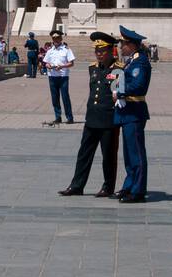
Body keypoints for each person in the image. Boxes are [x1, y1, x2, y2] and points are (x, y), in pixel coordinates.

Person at [58, 31, 123, 198]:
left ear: (110, 51)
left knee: (108, 156)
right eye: (97, 51)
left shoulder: (119, 70)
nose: (99, 54)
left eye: (102, 51)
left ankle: (108, 187)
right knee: (84, 154)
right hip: (92, 118)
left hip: (109, 120)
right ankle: (76, 186)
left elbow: (117, 94)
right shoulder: (92, 68)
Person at [114, 26, 151, 204]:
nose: (121, 47)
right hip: (127, 111)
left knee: (136, 153)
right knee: (129, 154)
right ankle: (129, 185)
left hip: (135, 111)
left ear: (132, 45)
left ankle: (138, 190)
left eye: (124, 43)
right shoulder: (130, 62)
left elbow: (139, 86)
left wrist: (120, 92)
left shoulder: (140, 62)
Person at [42, 30, 76, 125]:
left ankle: (70, 117)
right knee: (55, 98)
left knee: (65, 97)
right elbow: (46, 62)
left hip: (63, 76)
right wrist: (48, 65)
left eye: (57, 38)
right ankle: (58, 117)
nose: (55, 40)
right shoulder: (50, 51)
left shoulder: (66, 50)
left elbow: (71, 63)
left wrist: (62, 66)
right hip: (52, 76)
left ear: (61, 39)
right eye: (54, 38)